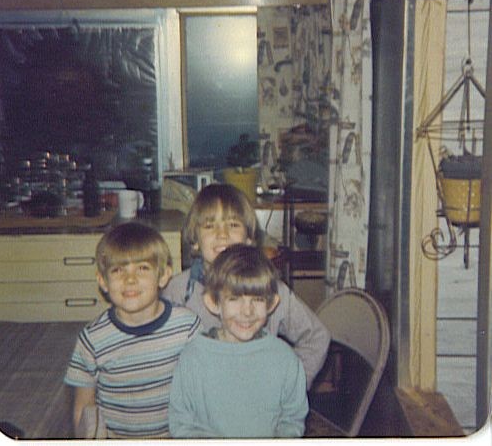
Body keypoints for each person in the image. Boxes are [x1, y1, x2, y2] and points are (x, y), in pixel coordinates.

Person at [162, 183, 330, 389]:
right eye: (209, 226)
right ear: (195, 240)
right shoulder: (177, 291)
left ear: (249, 238)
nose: (222, 234)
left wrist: (290, 385)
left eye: (233, 225)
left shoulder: (271, 289)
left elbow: (316, 337)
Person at [64, 222, 201, 439]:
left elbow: (205, 390)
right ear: (103, 281)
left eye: (142, 268)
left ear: (163, 276)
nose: (130, 279)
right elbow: (83, 408)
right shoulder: (93, 339)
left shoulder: (187, 327)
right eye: (118, 270)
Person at [168, 244, 309, 438]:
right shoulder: (193, 357)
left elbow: (292, 420)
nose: (247, 311)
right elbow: (181, 424)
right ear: (213, 302)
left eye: (257, 299)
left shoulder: (285, 359)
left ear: (271, 303)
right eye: (234, 299)